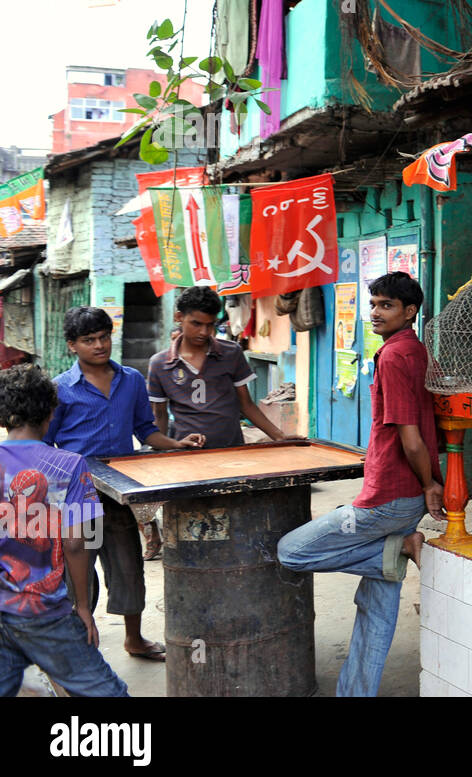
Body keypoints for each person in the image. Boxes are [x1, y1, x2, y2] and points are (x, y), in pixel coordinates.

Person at [277, 272, 443, 697]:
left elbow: (410, 437)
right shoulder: (414, 349)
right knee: (378, 604)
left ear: (409, 312)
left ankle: (400, 548)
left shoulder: (392, 356)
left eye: (386, 305)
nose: (374, 313)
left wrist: (428, 485)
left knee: (292, 551)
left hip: (389, 499)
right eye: (373, 304)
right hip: (402, 497)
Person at [45, 306, 205, 663]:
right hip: (77, 496)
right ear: (73, 345)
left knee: (128, 566)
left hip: (119, 492)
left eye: (104, 337)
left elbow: (144, 429)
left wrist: (175, 443)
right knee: (78, 572)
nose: (99, 345)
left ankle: (134, 639)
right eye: (89, 340)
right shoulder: (60, 389)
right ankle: (76, 646)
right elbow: (46, 444)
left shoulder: (131, 379)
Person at [0, 364, 128, 696]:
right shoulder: (70, 465)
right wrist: (83, 606)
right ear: (51, 413)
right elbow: (77, 543)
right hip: (43, 611)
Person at [148, 286, 288, 449]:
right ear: (179, 317)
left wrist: (279, 436)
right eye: (196, 324)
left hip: (231, 449)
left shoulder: (231, 352)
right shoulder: (159, 364)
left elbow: (246, 404)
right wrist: (161, 451)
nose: (204, 332)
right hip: (185, 452)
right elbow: (160, 414)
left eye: (210, 325)